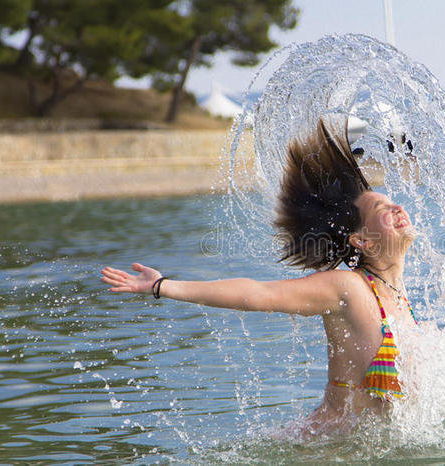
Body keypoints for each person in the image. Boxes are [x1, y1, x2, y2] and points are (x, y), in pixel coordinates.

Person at [101, 120, 418, 437]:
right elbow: (258, 294)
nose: (397, 207)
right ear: (361, 240)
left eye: (391, 202)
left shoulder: (397, 296)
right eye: (382, 207)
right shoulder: (349, 288)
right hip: (321, 449)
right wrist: (163, 286)